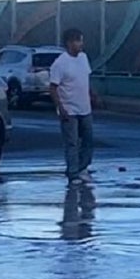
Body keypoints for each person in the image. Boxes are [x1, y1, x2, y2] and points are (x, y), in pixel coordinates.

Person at [49, 28, 98, 185]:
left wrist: (92, 94)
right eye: (78, 40)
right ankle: (73, 173)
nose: (81, 44)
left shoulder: (83, 58)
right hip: (69, 110)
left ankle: (83, 168)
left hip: (85, 108)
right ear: (70, 43)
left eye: (81, 40)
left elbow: (86, 79)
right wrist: (60, 107)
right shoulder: (60, 64)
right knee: (72, 142)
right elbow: (53, 87)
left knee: (88, 140)